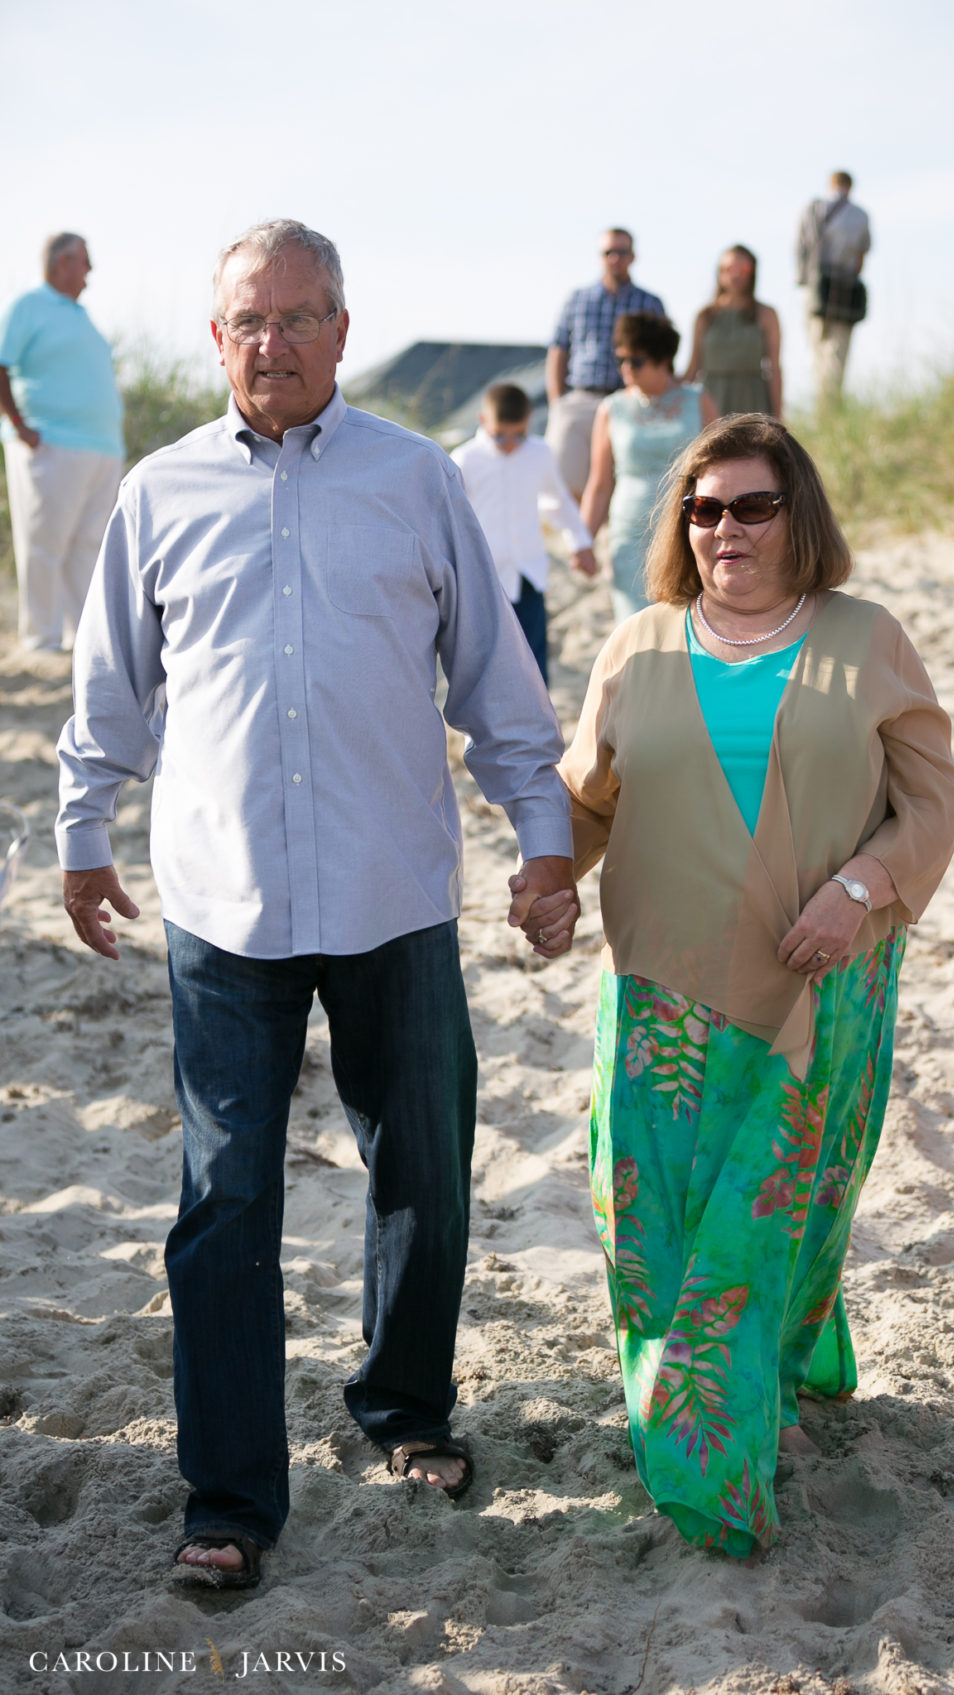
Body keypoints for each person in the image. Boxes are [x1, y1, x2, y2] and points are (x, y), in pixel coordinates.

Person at [55, 220, 580, 1591]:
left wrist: (541, 842)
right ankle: (228, 1495)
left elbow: (490, 679)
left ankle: (403, 1408)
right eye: (249, 320)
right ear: (214, 338)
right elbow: (109, 685)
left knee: (422, 1162)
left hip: (393, 890)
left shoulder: (415, 480)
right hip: (220, 906)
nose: (273, 341)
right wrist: (79, 828)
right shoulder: (160, 491)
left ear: (342, 331)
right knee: (222, 1198)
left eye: (300, 317)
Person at [519, 413, 954, 1557]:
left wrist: (861, 890)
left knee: (773, 1225)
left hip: (812, 995)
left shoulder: (864, 641)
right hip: (658, 995)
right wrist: (551, 876)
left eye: (751, 505)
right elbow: (587, 799)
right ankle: (702, 1429)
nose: (724, 528)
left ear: (794, 515)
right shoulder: (638, 646)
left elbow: (929, 805)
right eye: (702, 508)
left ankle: (721, 1439)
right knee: (654, 1238)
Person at [0, 233, 123, 651]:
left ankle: (81, 640)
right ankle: (41, 640)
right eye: (85, 260)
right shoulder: (28, 306)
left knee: (88, 546)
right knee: (44, 543)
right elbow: (1, 363)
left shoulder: (82, 316)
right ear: (61, 262)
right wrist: (19, 425)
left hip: (101, 447)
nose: (91, 269)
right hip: (50, 442)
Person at [450, 383, 596, 682]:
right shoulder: (465, 459)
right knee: (485, 662)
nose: (511, 444)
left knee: (532, 660)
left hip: (529, 572)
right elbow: (448, 517)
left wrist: (580, 543)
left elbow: (558, 501)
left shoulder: (539, 453)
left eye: (520, 434)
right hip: (483, 576)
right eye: (500, 436)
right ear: (483, 421)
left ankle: (536, 723)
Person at [581, 313, 717, 624]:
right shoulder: (610, 409)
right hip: (629, 532)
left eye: (636, 361)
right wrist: (583, 540)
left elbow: (720, 470)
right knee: (635, 627)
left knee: (685, 623)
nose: (626, 369)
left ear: (662, 359)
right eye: (621, 360)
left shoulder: (698, 401)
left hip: (687, 529)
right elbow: (599, 483)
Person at [545, 230, 666, 500]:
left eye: (621, 252)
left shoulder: (649, 303)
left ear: (632, 257)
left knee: (620, 482)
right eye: (608, 252)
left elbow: (663, 358)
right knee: (563, 482)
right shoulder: (577, 299)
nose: (615, 258)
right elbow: (558, 351)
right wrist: (557, 402)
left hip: (629, 400)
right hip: (581, 399)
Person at [796, 172, 871, 405]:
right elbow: (861, 255)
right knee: (837, 353)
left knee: (817, 349)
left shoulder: (813, 209)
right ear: (850, 186)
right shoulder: (860, 215)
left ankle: (823, 404)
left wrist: (804, 281)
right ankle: (830, 406)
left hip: (816, 285)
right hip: (845, 285)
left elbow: (800, 248)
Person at [684, 245, 782, 418]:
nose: (735, 275)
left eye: (742, 269)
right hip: (713, 400)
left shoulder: (766, 315)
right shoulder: (705, 316)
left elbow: (774, 368)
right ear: (719, 273)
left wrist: (779, 416)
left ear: (752, 272)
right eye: (728, 269)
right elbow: (693, 368)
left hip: (753, 400)